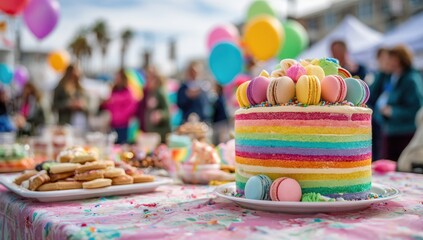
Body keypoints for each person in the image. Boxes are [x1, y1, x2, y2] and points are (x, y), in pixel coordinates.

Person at [373, 45, 423, 161]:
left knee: (401, 169)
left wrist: (393, 111)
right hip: (389, 131)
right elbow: (373, 93)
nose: (387, 61)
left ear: (399, 60)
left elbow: (417, 109)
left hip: (405, 134)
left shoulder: (411, 79)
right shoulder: (390, 77)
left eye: (390, 58)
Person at [101, 69, 138, 144]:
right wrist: (105, 103)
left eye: (118, 77)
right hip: (113, 124)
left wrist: (121, 117)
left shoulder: (128, 91)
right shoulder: (114, 90)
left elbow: (131, 108)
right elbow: (109, 106)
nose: (116, 79)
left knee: (122, 144)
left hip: (123, 125)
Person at [368, 48, 391, 161]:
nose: (385, 61)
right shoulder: (381, 75)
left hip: (385, 120)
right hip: (376, 117)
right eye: (381, 59)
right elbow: (371, 94)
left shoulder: (392, 76)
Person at [138, 66, 171, 143]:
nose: (148, 79)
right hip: (149, 132)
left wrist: (160, 114)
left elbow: (167, 111)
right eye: (147, 77)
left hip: (160, 133)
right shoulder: (149, 92)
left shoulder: (160, 92)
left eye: (151, 77)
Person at [52, 64, 88, 132]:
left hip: (79, 122)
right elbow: (54, 105)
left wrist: (82, 105)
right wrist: (68, 104)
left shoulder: (79, 88)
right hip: (64, 121)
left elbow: (87, 105)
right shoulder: (61, 87)